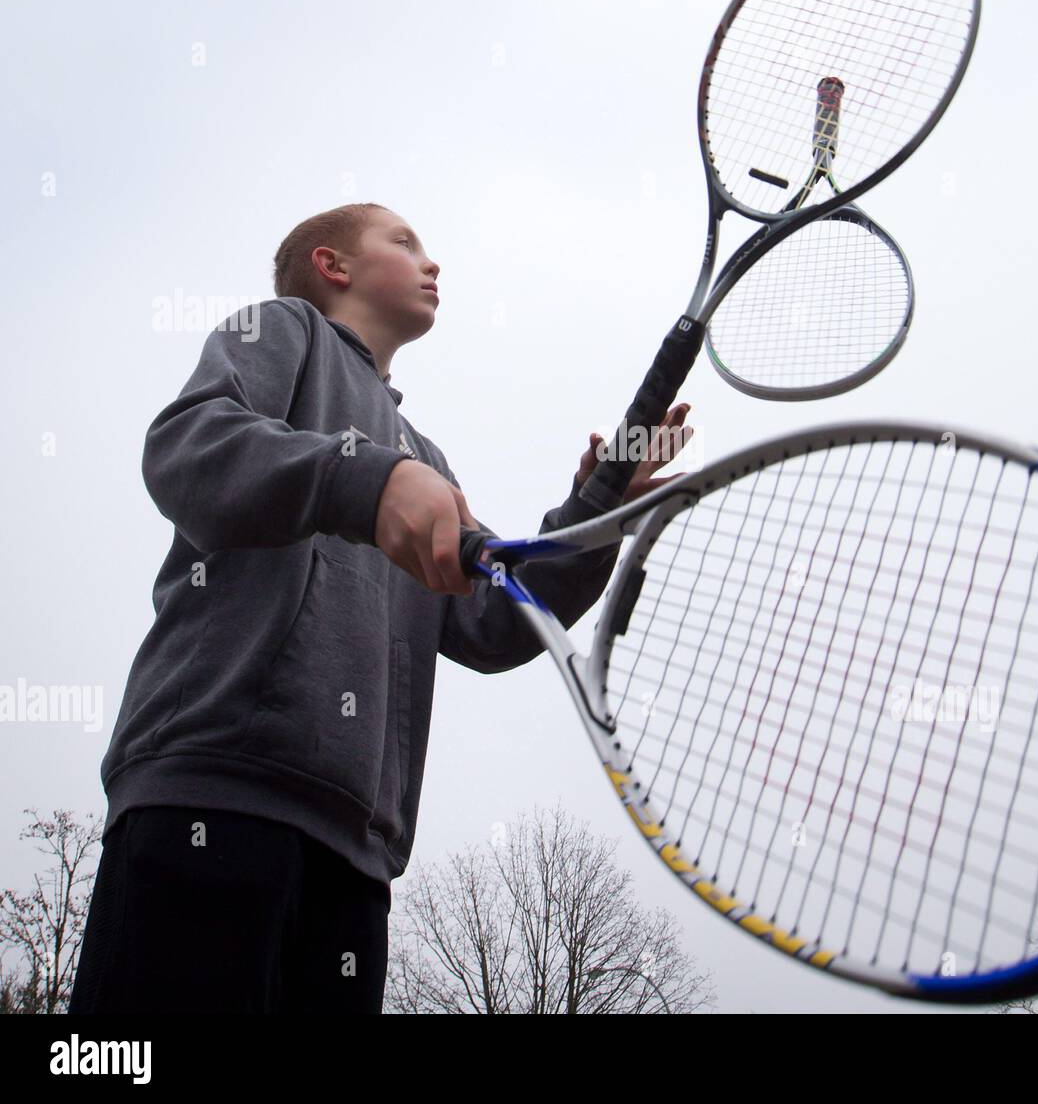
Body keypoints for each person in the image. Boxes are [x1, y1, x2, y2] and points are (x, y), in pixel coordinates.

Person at [68, 202, 692, 1014]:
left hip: (356, 862)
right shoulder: (279, 328)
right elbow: (189, 449)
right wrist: (365, 481)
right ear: (334, 266)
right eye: (405, 243)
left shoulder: (424, 458)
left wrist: (592, 509)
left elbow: (495, 616)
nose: (432, 264)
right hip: (209, 801)